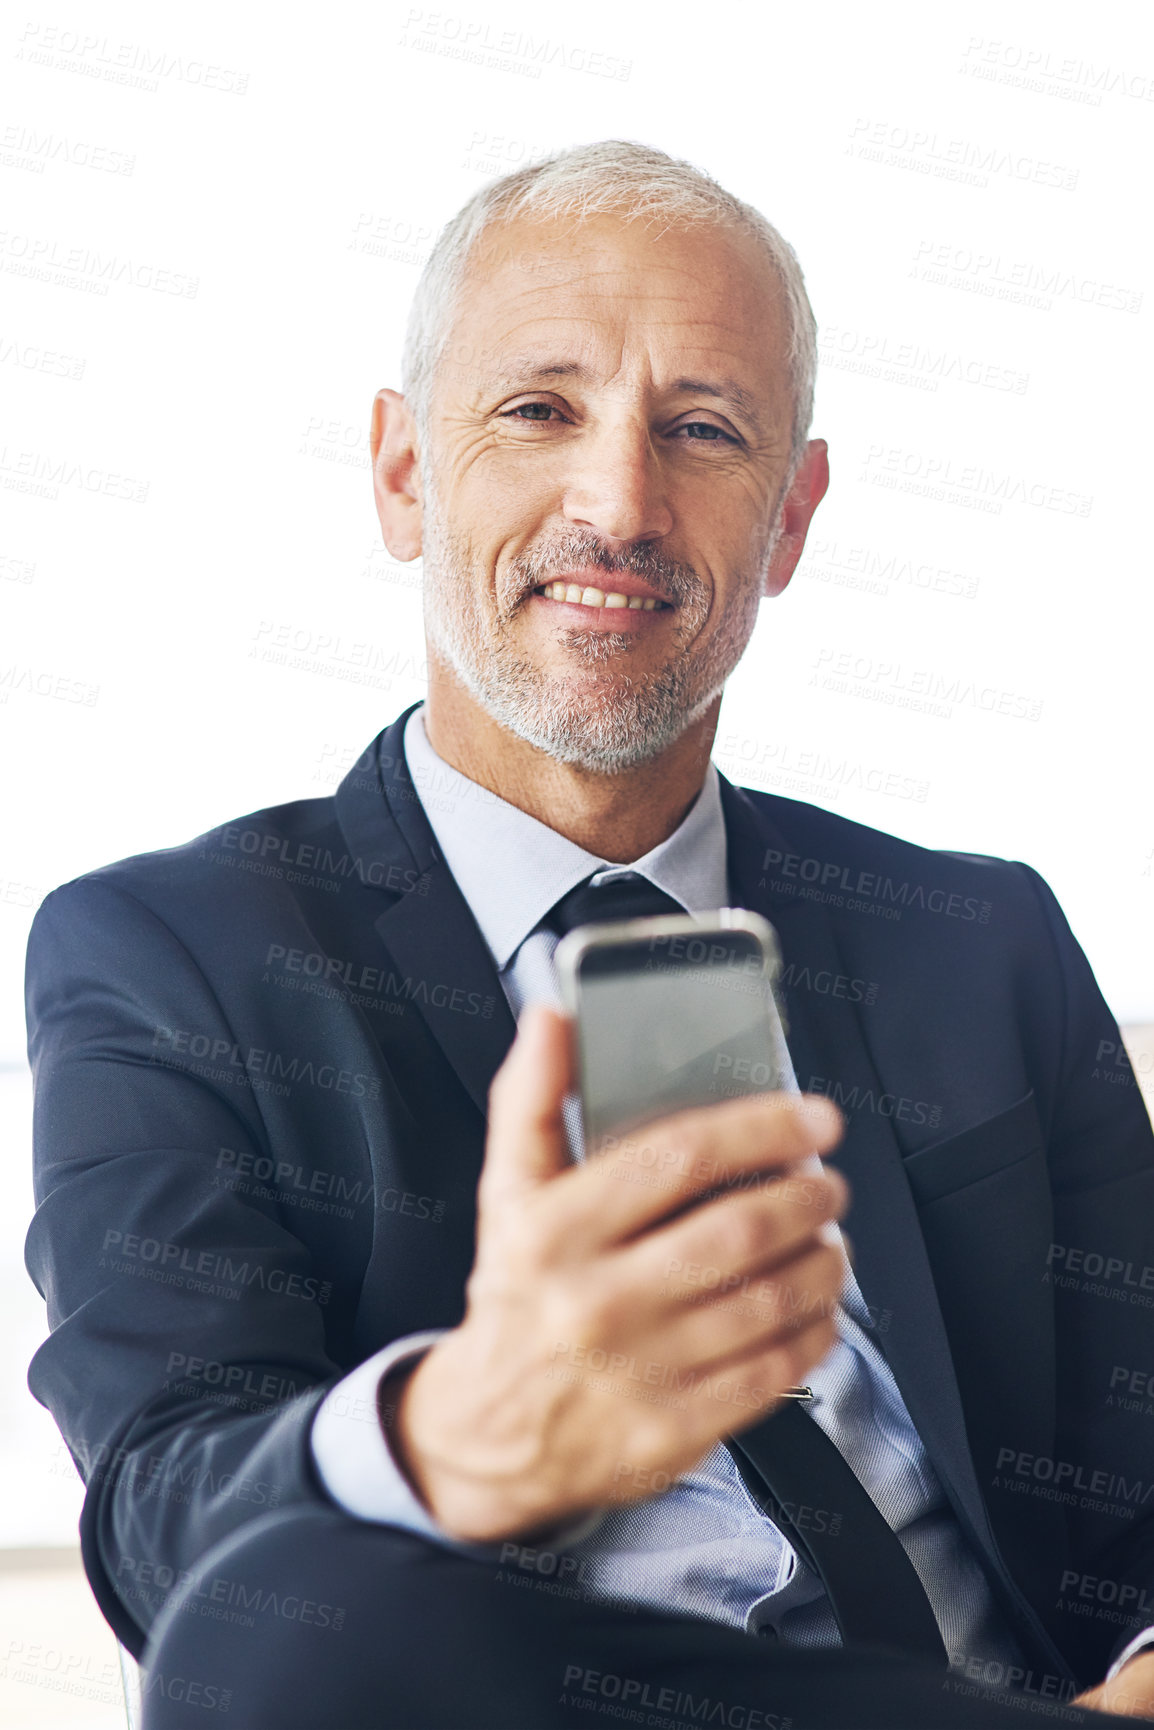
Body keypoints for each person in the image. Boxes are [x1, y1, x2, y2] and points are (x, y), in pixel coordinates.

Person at [24, 141, 1154, 1729]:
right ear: (405, 473)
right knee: (283, 1628)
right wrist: (458, 1431)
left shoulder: (979, 937)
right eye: (538, 410)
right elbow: (166, 1511)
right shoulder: (168, 952)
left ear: (790, 518)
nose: (618, 503)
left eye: (700, 431)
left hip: (1014, 1684)